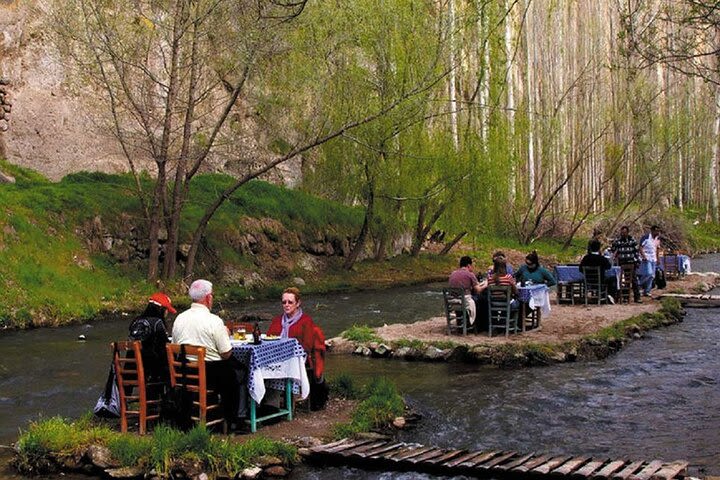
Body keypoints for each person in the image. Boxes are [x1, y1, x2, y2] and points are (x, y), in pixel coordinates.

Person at [172, 279, 246, 426]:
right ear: (208, 298)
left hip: (184, 373)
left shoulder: (179, 319)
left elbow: (175, 346)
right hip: (209, 374)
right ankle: (234, 418)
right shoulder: (214, 321)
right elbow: (226, 353)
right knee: (240, 372)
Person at [267, 287, 328, 410]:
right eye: (284, 302)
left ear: (298, 303)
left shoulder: (306, 321)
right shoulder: (277, 320)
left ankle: (285, 404)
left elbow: (307, 346)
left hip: (299, 359)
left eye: (290, 302)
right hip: (277, 357)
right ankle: (269, 405)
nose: (287, 305)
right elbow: (269, 339)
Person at [127, 292, 175, 385]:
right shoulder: (157, 323)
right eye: (166, 310)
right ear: (161, 310)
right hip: (151, 371)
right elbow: (164, 346)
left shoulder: (136, 321)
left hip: (131, 368)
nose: (167, 313)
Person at [448, 256, 486, 329]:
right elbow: (478, 290)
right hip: (464, 301)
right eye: (472, 266)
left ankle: (461, 322)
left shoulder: (453, 274)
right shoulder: (470, 274)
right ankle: (475, 324)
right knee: (481, 300)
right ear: (469, 265)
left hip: (452, 301)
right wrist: (486, 284)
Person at [610, 225, 642, 303]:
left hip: (631, 262)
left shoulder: (632, 240)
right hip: (621, 263)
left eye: (624, 232)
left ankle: (637, 297)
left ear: (627, 232)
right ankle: (624, 297)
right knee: (621, 280)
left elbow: (636, 251)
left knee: (633, 280)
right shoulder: (618, 241)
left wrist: (637, 261)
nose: (623, 234)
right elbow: (613, 249)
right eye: (622, 232)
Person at [580, 239, 617, 304]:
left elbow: (580, 269)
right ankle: (611, 296)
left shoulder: (586, 258)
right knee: (613, 278)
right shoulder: (602, 259)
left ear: (590, 248)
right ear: (599, 248)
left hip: (588, 281)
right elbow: (609, 267)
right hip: (601, 281)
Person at [638, 225, 660, 297]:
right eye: (656, 231)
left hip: (653, 258)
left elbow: (657, 249)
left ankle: (647, 291)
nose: (657, 232)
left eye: (658, 231)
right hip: (646, 258)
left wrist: (658, 258)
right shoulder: (646, 238)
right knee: (648, 273)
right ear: (652, 231)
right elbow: (640, 247)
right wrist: (643, 256)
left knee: (652, 276)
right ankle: (639, 284)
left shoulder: (657, 239)